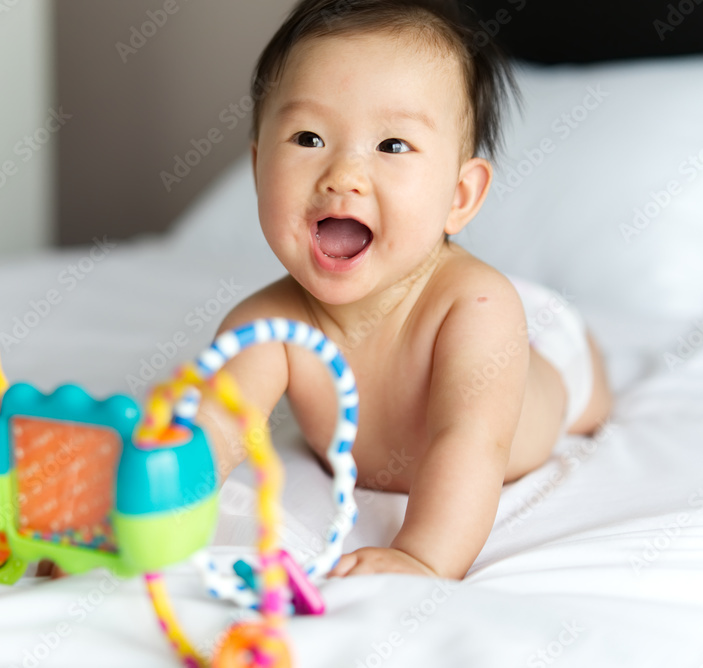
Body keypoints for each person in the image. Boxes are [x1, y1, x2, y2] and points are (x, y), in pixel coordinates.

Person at [195, 0, 613, 580]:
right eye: (309, 137)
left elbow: (471, 443)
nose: (342, 174)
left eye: (392, 146)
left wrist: (421, 556)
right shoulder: (264, 326)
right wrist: (127, 527)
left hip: (539, 340)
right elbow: (211, 432)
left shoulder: (477, 311)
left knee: (588, 401)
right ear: (259, 164)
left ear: (460, 196)